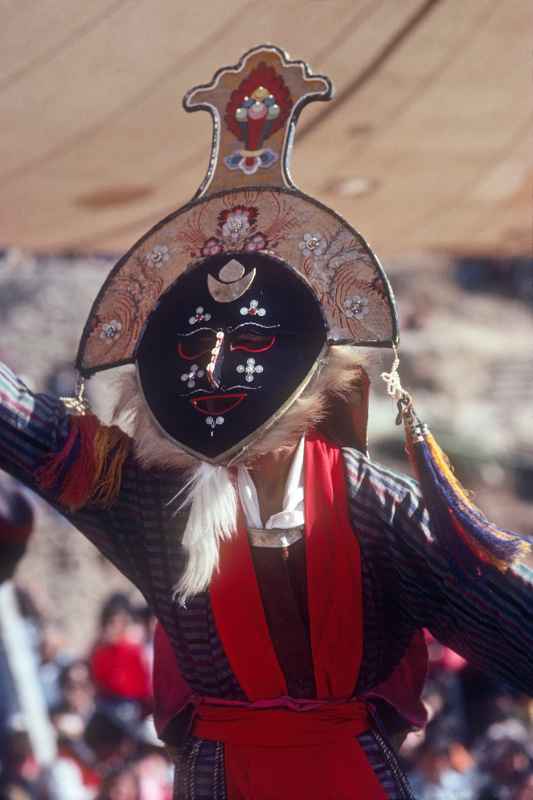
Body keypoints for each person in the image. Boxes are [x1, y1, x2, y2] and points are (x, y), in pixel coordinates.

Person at [0, 45, 531, 799]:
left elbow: (507, 619)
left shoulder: (376, 506)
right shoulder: (148, 489)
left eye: (250, 347)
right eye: (190, 349)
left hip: (352, 774)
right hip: (218, 775)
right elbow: (29, 426)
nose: (217, 372)